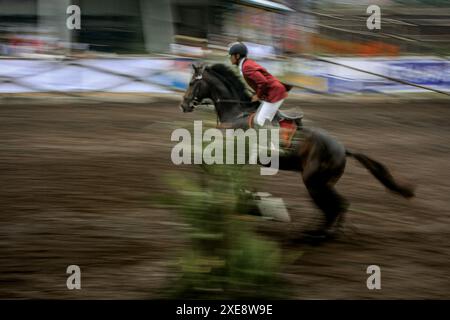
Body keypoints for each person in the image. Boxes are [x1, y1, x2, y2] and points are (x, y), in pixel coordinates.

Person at [228, 42, 291, 128]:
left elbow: (263, 82)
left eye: (231, 55)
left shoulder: (246, 67)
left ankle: (271, 141)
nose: (230, 58)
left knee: (259, 121)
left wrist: (258, 95)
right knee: (263, 119)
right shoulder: (246, 64)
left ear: (237, 56)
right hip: (272, 92)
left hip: (275, 93)